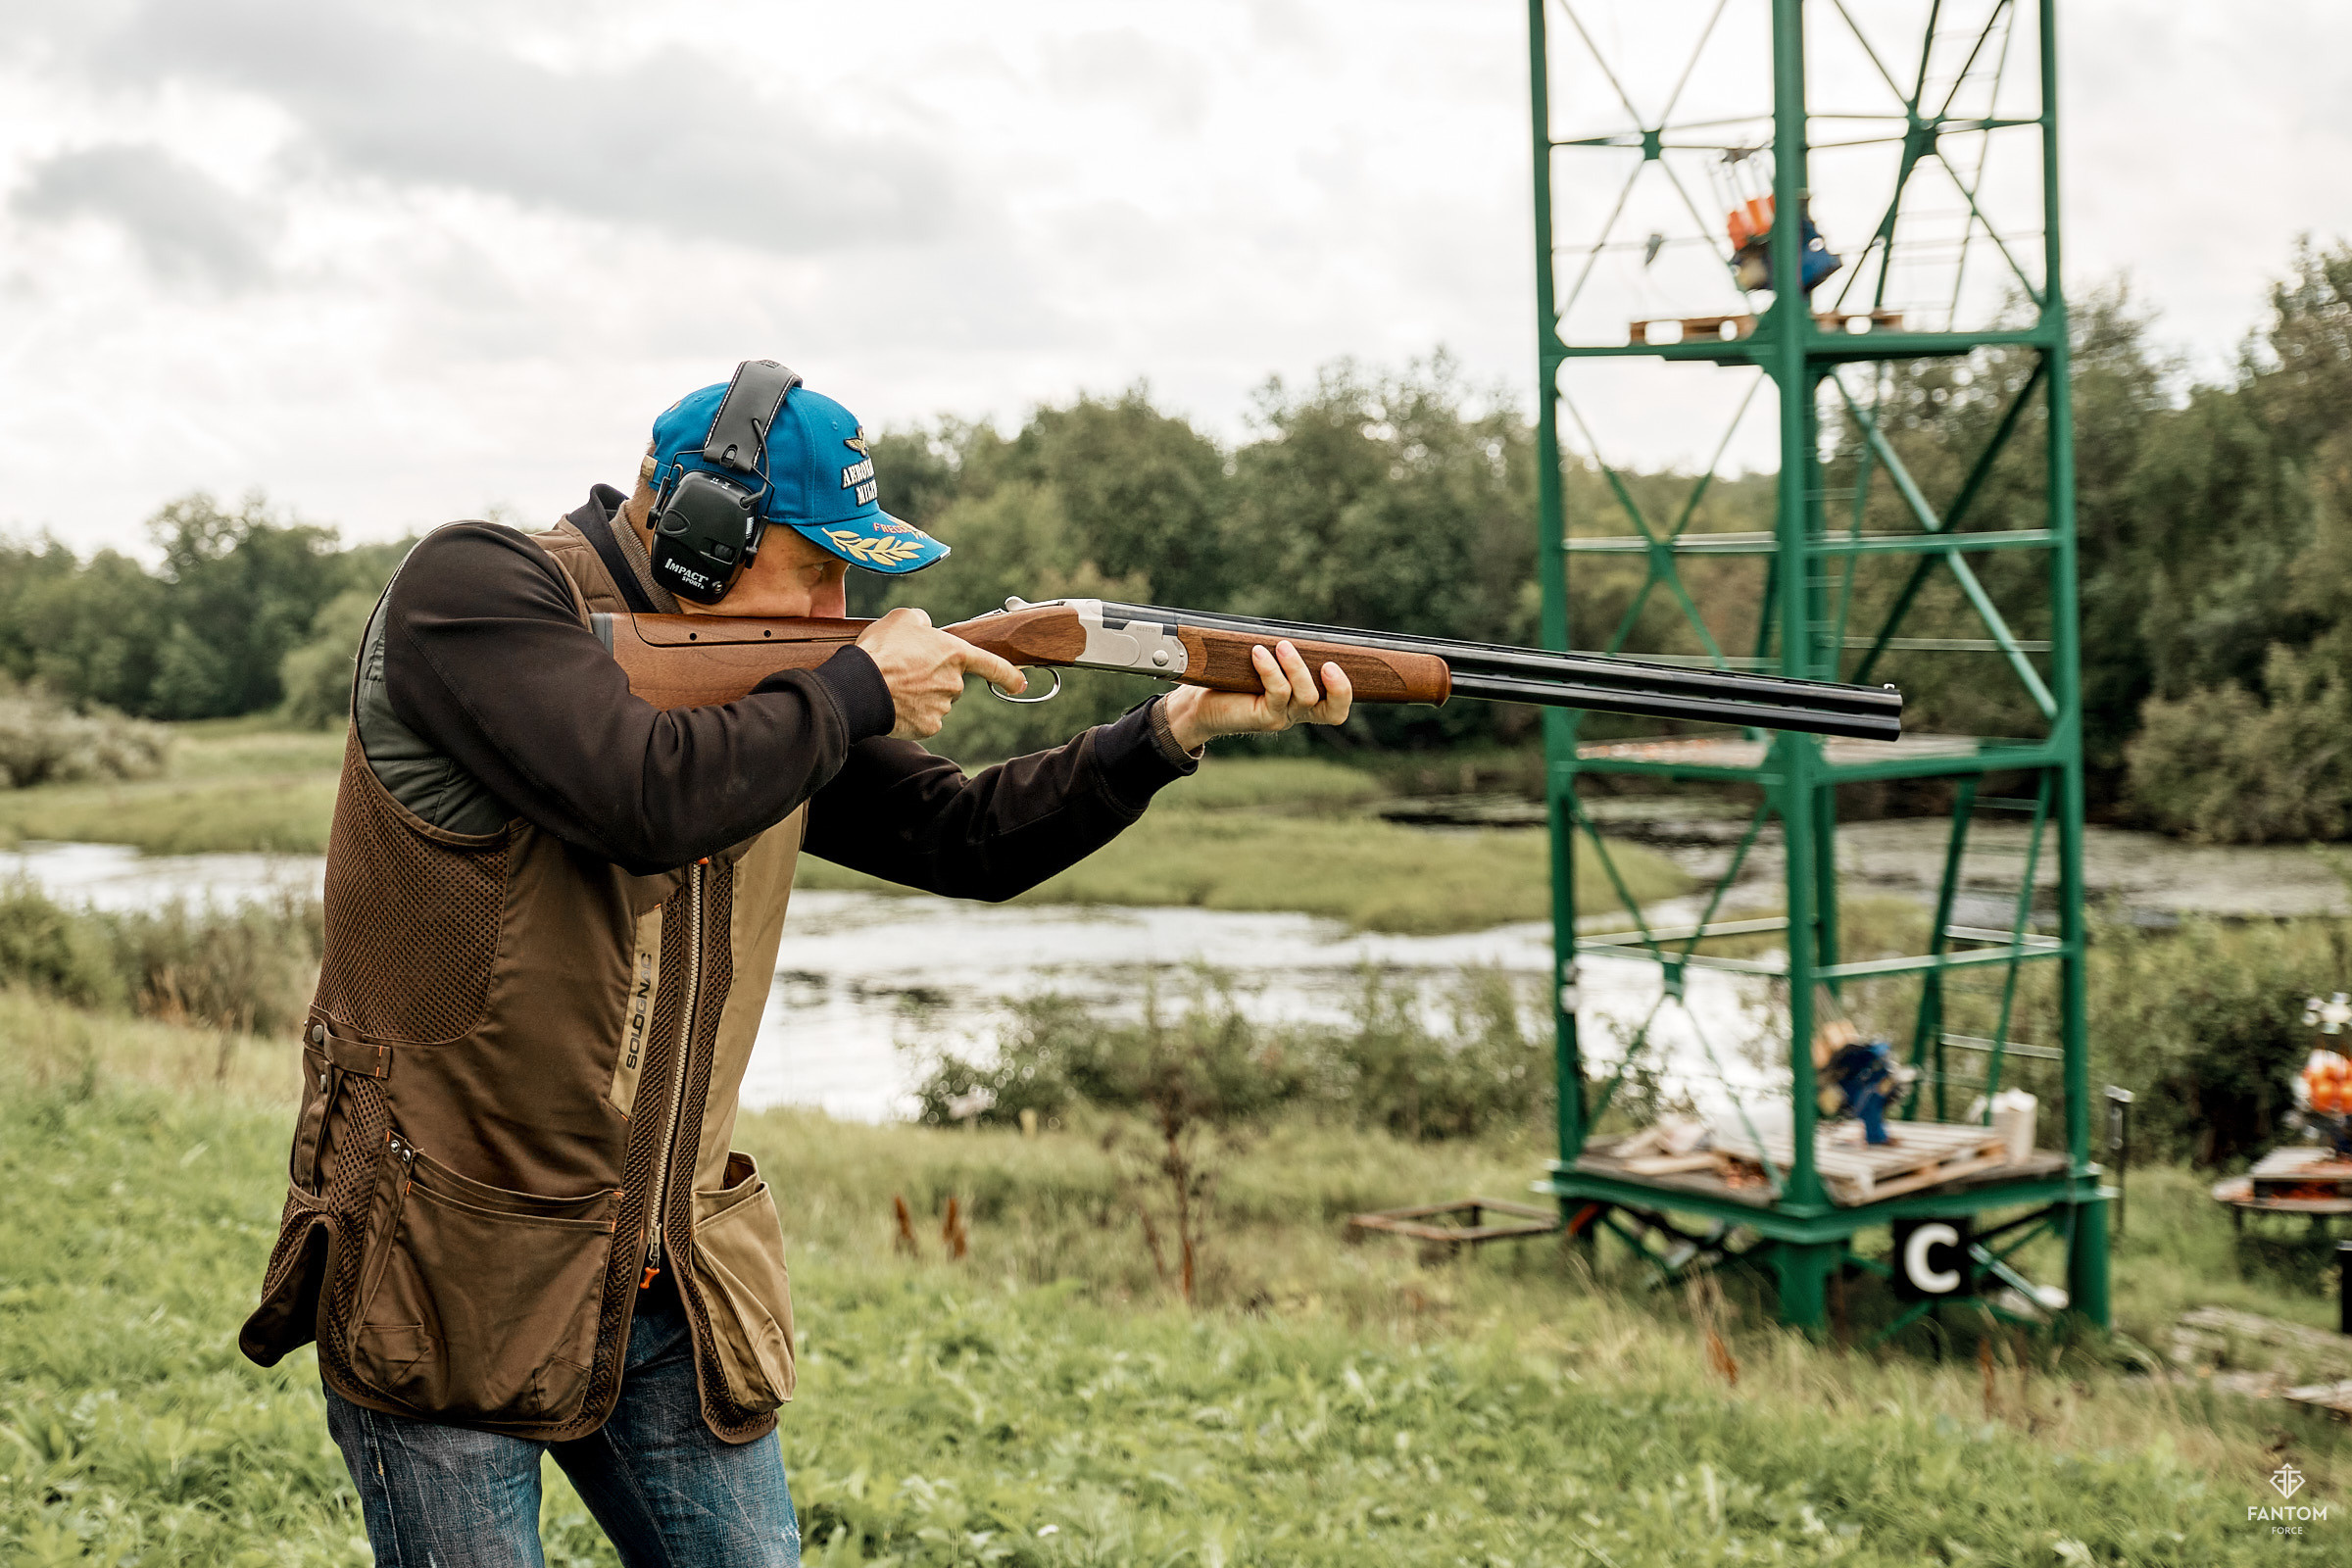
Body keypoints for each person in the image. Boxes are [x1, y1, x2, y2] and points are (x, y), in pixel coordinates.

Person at [236, 361, 1351, 1567]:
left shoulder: (782, 688)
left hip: (669, 1273)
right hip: (446, 1267)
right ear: (698, 538)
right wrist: (856, 687)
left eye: (852, 579)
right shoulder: (476, 592)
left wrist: (1167, 731)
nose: (840, 606)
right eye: (815, 567)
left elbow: (963, 836)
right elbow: (639, 792)